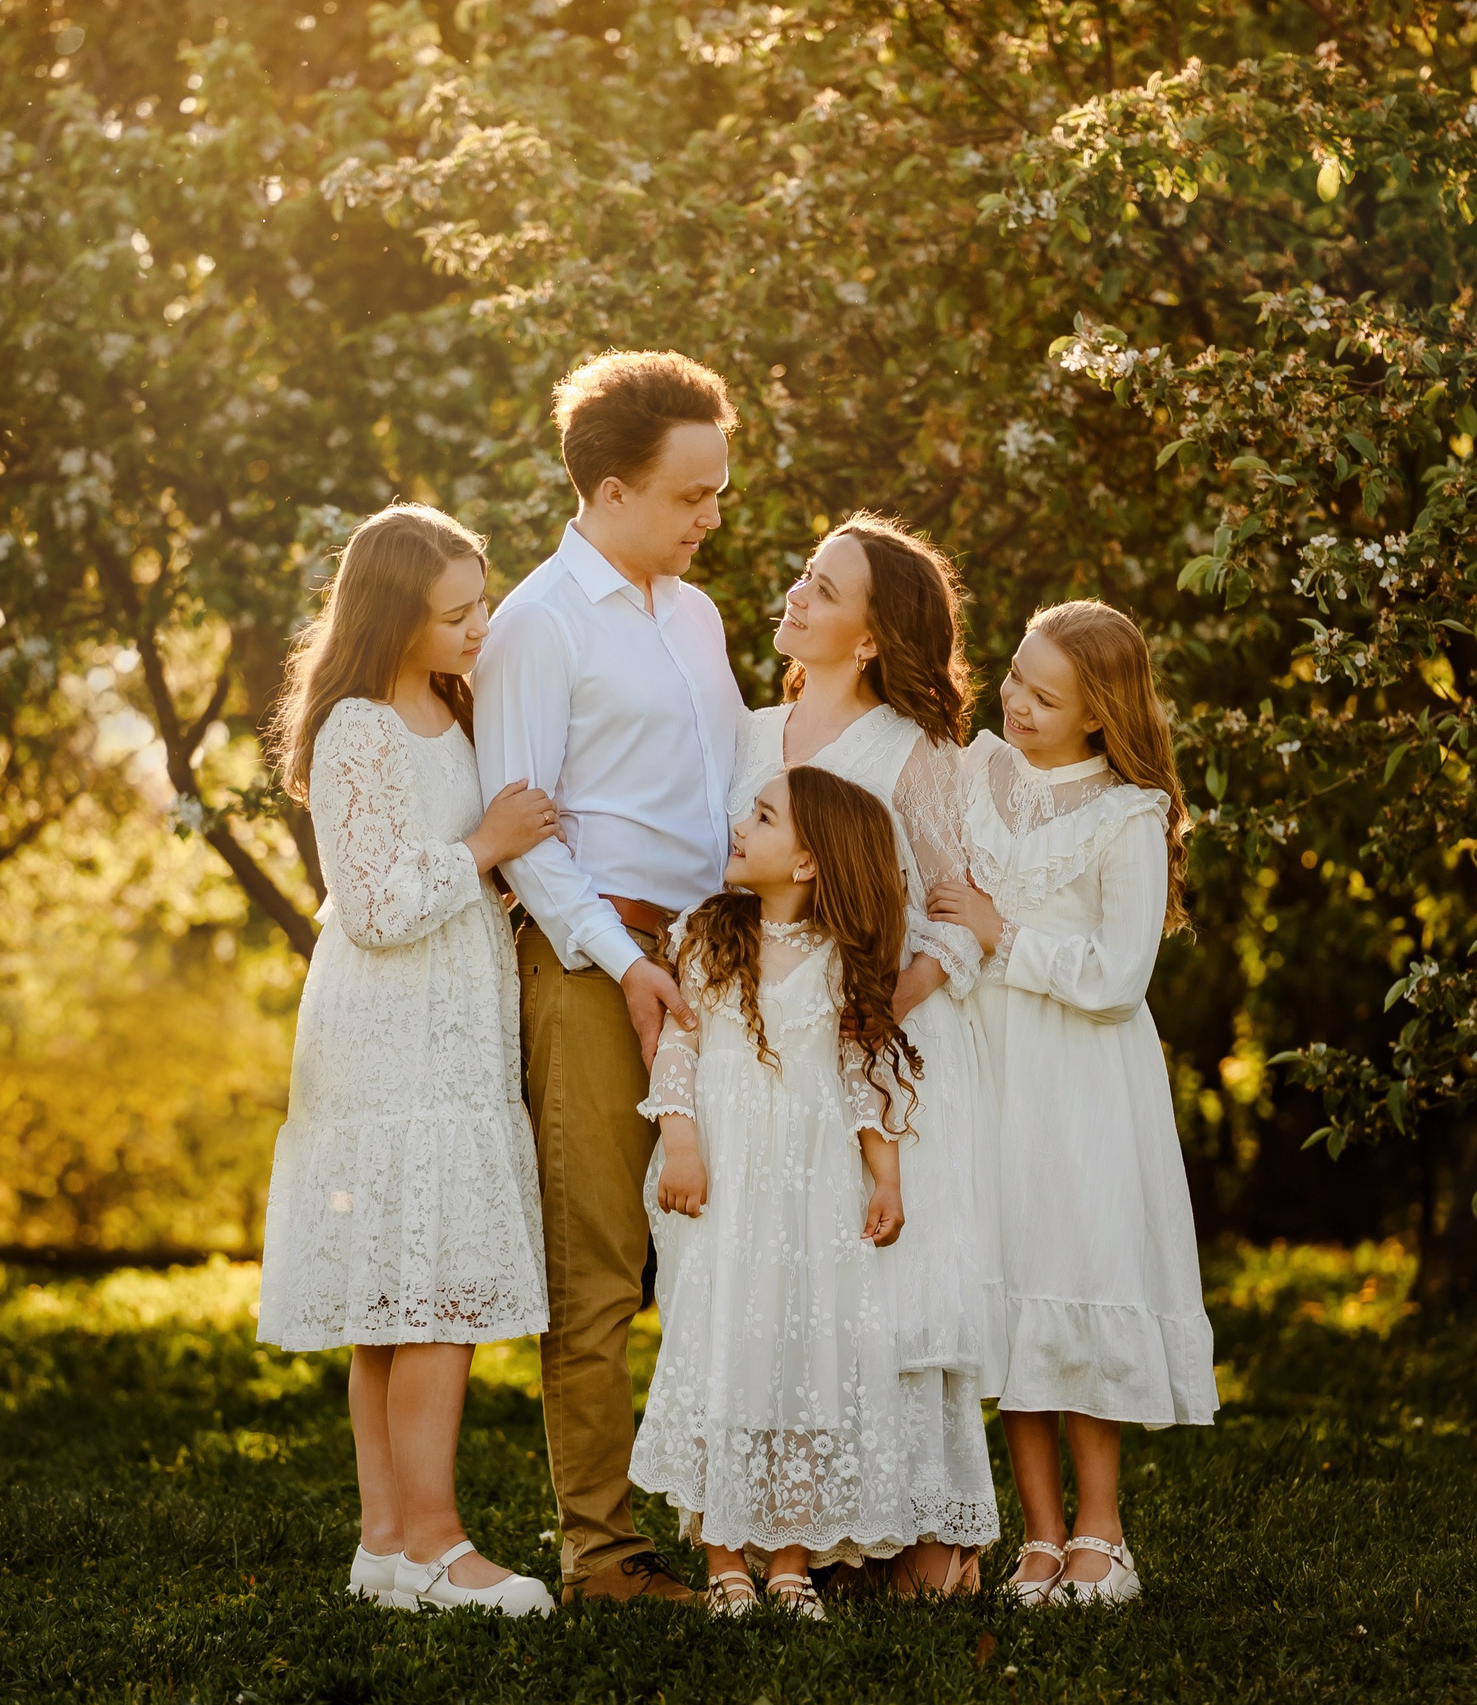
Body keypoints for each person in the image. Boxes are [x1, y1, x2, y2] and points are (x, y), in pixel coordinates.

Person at [471, 350, 746, 1604]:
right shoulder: (536, 623)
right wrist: (630, 960)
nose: (709, 518)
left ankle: (749, 1527)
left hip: (718, 966)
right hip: (591, 966)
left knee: (732, 1242)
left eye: (719, 494)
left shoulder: (698, 614)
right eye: (692, 495)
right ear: (610, 489)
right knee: (599, 1262)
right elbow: (524, 839)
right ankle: (600, 1549)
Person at [255, 503, 563, 1617]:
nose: (481, 625)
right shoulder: (356, 731)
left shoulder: (455, 703)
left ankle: (385, 1547)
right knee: (419, 1283)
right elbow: (375, 903)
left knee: (414, 1285)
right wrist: (485, 848)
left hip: (455, 1020)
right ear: (394, 617)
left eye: (481, 601)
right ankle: (429, 1541)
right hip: (385, 1027)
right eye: (456, 613)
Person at [724, 513, 1000, 1594]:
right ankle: (792, 1530)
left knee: (882, 1284)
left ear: (873, 635)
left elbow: (957, 912)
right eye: (803, 575)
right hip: (763, 1056)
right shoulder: (749, 734)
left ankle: (905, 1523)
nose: (796, 595)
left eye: (823, 589)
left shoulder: (912, 751)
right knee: (784, 1282)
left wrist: (876, 1006)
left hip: (880, 1055)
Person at [928, 600, 1218, 1606]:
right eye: (1014, 676)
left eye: (1045, 697)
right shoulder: (974, 771)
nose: (1016, 701)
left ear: (1099, 713)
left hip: (1081, 1075)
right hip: (985, 1062)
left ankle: (1103, 1530)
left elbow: (1118, 974)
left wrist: (1003, 932)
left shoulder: (1127, 812)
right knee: (1007, 1287)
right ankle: (1038, 1536)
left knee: (1073, 1277)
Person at [632, 768, 921, 1619]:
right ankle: (725, 1556)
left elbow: (862, 1070)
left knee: (800, 1361)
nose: (740, 824)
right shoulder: (705, 935)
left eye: (762, 817)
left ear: (806, 863)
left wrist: (887, 1172)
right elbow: (677, 1049)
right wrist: (678, 1138)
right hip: (720, 1180)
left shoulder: (840, 961)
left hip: (809, 1189)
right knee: (721, 1345)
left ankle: (789, 1560)